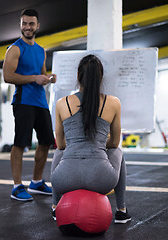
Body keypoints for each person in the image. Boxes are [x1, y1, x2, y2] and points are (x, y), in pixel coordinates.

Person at [51, 54, 131, 224]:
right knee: (118, 151)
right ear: (101, 77)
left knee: (60, 151)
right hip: (101, 179)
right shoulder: (113, 102)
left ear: (78, 75)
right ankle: (121, 211)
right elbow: (114, 143)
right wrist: (100, 143)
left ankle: (55, 206)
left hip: (64, 179)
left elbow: (61, 143)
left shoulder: (61, 103)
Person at [3, 9, 56, 201]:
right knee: (20, 143)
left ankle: (36, 181)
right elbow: (8, 76)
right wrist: (34, 78)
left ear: (37, 26)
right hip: (23, 101)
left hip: (41, 102)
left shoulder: (41, 50)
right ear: (20, 24)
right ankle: (17, 186)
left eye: (31, 24)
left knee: (46, 142)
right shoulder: (15, 49)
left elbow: (41, 73)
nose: (27, 27)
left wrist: (49, 78)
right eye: (24, 23)